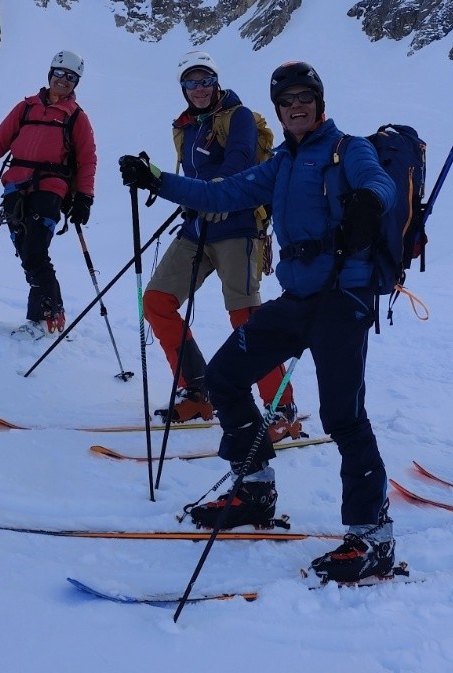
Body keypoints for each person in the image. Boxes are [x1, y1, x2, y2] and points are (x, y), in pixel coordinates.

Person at [119, 60, 398, 583]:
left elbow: (379, 183)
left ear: (320, 102)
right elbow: (221, 193)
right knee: (224, 376)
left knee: (343, 416)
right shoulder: (284, 162)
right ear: (279, 109)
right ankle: (254, 488)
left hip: (343, 299)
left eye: (305, 97)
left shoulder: (348, 148)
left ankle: (372, 535)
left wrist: (367, 201)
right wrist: (158, 179)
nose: (297, 105)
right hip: (296, 300)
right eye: (287, 99)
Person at [142, 51, 301, 440]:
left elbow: (240, 167)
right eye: (190, 83)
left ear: (216, 82)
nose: (198, 89)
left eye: (205, 80)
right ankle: (197, 389)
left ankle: (281, 407)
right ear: (183, 88)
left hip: (238, 228)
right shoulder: (186, 127)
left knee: (245, 317)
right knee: (157, 301)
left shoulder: (239, 116)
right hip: (197, 229)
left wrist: (206, 195)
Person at [0, 49, 97, 335]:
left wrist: (84, 198)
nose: (64, 80)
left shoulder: (77, 118)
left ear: (76, 83)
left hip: (51, 188)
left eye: (72, 77)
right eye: (60, 74)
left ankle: (44, 319)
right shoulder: (25, 108)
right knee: (27, 255)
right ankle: (50, 314)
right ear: (50, 73)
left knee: (35, 253)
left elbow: (87, 159)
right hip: (15, 189)